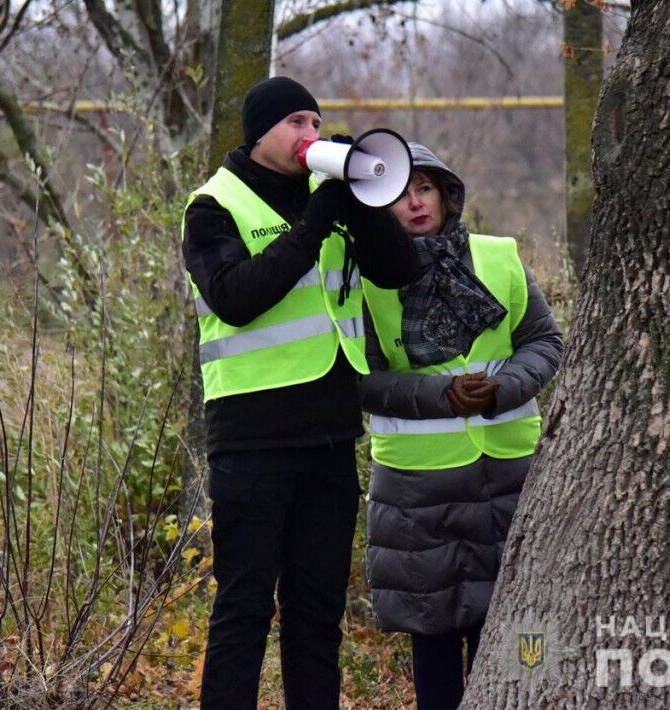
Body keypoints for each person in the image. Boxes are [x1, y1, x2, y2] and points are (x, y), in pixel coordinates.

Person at [181, 76, 420, 710]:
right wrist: (314, 225)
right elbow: (235, 298)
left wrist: (363, 203)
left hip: (330, 436)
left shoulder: (328, 195)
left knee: (317, 615)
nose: (310, 134)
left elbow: (399, 269)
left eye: (316, 123)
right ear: (260, 132)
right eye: (296, 123)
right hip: (252, 441)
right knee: (244, 610)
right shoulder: (214, 205)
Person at [360, 142, 563, 710]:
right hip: (418, 493)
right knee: (435, 641)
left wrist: (505, 387)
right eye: (400, 194)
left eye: (424, 188)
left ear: (446, 194)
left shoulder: (499, 258)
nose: (415, 203)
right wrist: (441, 395)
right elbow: (360, 379)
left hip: (510, 476)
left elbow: (543, 340)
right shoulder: (365, 282)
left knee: (520, 638)